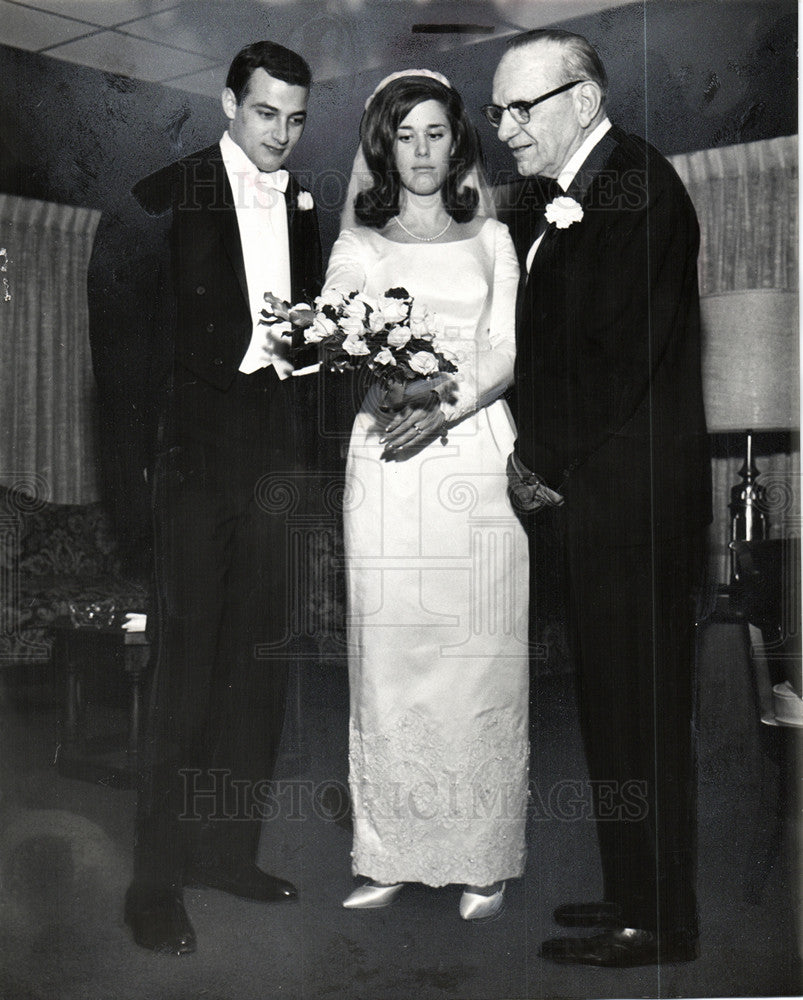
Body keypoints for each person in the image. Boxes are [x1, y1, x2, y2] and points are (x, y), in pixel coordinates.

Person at [489, 30, 711, 965]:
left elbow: (611, 360)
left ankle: (658, 920)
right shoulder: (575, 194)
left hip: (629, 506)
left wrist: (534, 454)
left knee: (638, 715)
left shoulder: (637, 185)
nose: (503, 130)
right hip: (601, 505)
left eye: (518, 109)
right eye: (495, 112)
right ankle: (632, 891)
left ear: (582, 99)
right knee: (613, 711)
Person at [117, 41, 322, 955]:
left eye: (295, 118)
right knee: (185, 675)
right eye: (265, 113)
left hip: (275, 457)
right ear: (229, 105)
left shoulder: (306, 206)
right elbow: (123, 360)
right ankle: (152, 883)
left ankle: (225, 853)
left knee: (258, 668)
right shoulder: (169, 194)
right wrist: (137, 484)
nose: (280, 134)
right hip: (194, 461)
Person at [324, 70, 529, 920]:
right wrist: (384, 386)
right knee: (391, 655)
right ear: (383, 145)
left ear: (457, 144)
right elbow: (333, 333)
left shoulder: (491, 240)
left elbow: (504, 351)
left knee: (477, 654)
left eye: (436, 134)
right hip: (386, 459)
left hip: (474, 455)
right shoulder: (358, 248)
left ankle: (480, 855)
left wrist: (440, 407)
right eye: (404, 135)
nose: (420, 151)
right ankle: (391, 851)